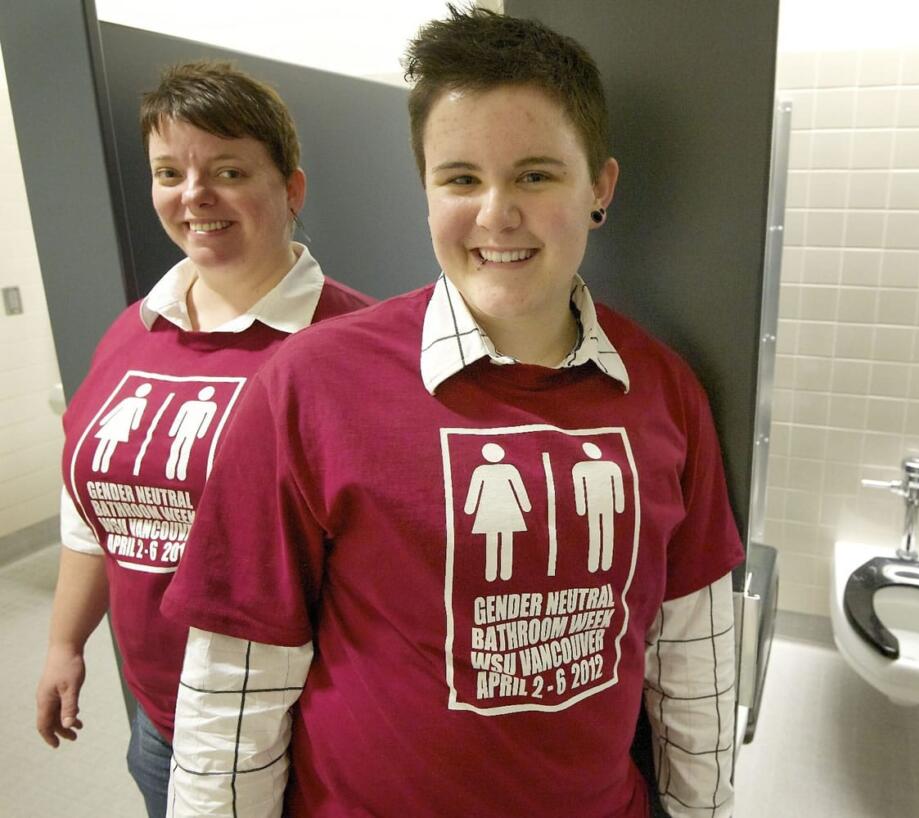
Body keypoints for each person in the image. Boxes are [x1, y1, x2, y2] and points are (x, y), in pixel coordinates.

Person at [162, 8, 742, 817]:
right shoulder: (312, 386)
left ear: (599, 188)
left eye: (536, 175)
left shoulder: (665, 392)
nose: (496, 214)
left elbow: (695, 654)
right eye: (461, 179)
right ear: (427, 189)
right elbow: (238, 684)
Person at [34, 60, 372, 818]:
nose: (195, 196)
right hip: (162, 722)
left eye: (228, 169)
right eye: (169, 172)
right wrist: (64, 643)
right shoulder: (133, 331)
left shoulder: (352, 343)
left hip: (312, 728)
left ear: (291, 189)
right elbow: (92, 509)